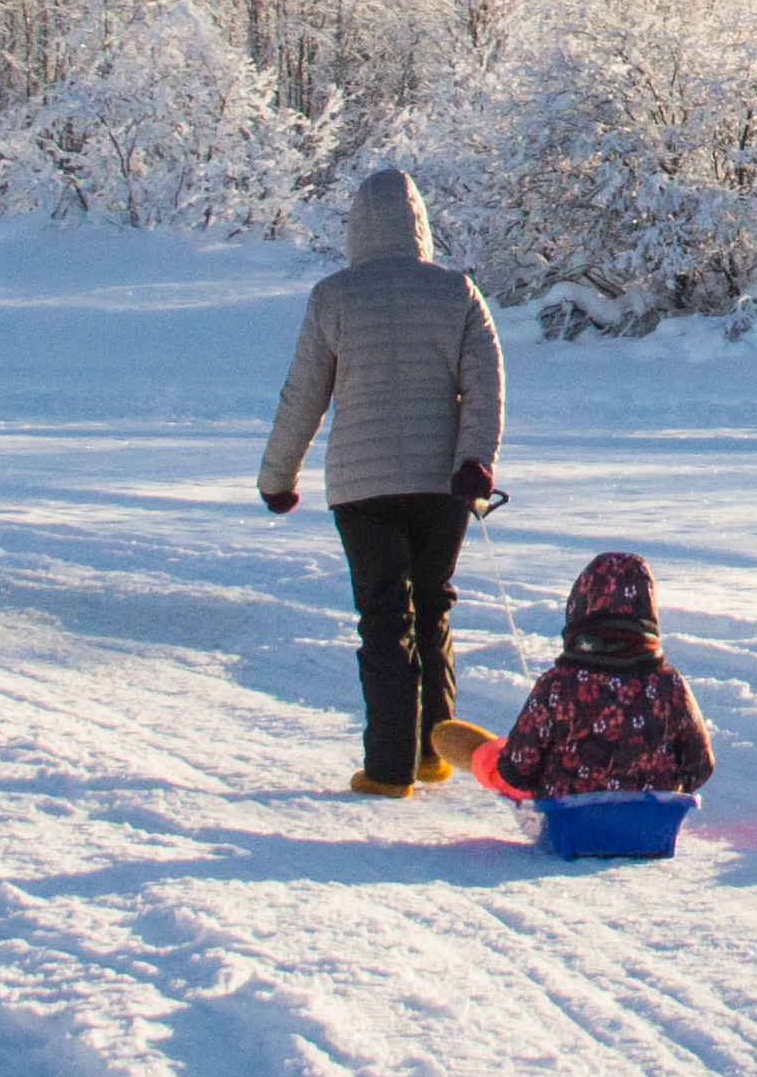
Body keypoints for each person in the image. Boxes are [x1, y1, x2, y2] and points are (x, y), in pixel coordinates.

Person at [258, 167, 502, 797]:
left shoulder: (334, 297)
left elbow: (302, 396)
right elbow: (485, 385)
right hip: (440, 484)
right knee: (433, 606)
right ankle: (431, 750)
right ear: (420, 224)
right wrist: (474, 458)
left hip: (361, 489)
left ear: (356, 229)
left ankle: (389, 767)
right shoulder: (457, 292)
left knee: (383, 616)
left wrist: (278, 477)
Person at [448, 550, 718, 800]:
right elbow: (700, 767)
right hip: (653, 822)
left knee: (503, 766)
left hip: (569, 817)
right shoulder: (669, 684)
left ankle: (480, 754)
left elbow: (520, 770)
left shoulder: (558, 685)